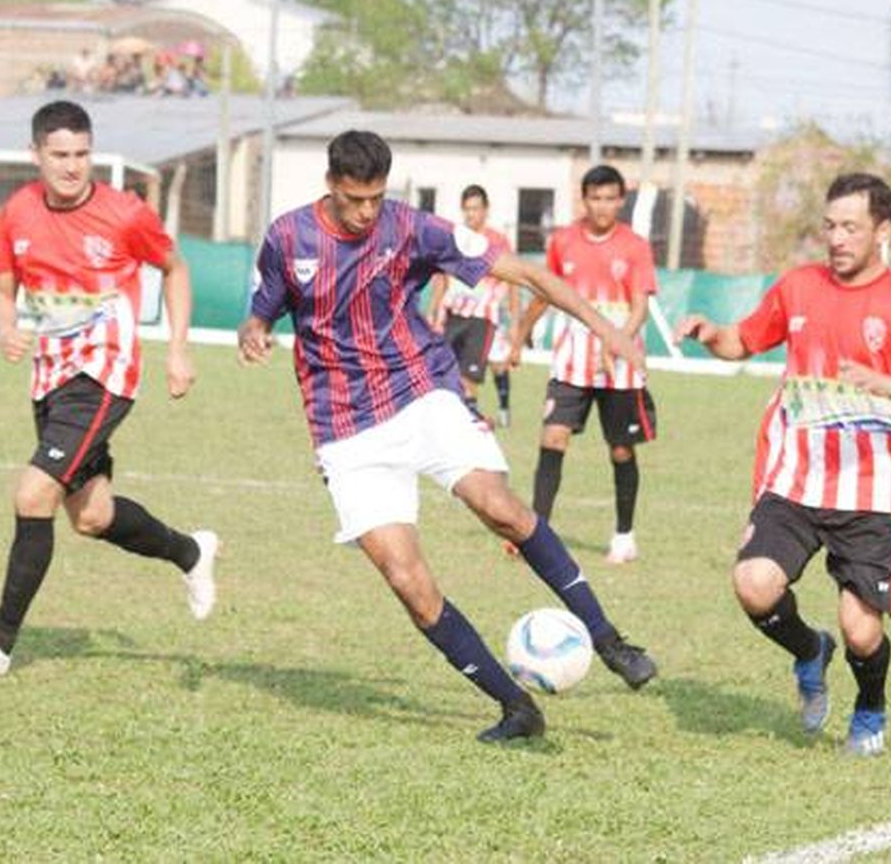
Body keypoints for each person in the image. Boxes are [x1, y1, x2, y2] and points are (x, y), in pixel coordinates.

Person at [237, 130, 658, 745]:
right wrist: (253, 329)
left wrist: (607, 329)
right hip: (344, 426)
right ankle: (516, 707)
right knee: (408, 581)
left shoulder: (410, 228)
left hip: (420, 393)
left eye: (375, 199)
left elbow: (525, 275)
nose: (365, 213)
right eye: (354, 200)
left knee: (500, 508)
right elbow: (263, 305)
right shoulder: (287, 236)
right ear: (331, 186)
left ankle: (609, 639)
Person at [674, 173, 891, 757]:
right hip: (795, 479)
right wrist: (710, 334)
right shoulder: (798, 286)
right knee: (754, 584)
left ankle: (870, 705)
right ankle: (809, 650)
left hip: (870, 490)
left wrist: (885, 382)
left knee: (861, 629)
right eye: (830, 226)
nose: (837, 238)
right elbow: (744, 340)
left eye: (851, 227)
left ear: (883, 230)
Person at [0, 101, 217, 676]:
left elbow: (175, 269)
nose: (72, 166)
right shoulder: (17, 212)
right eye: (60, 155)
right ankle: (191, 551)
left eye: (82, 154)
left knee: (32, 494)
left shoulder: (125, 214)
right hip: (50, 375)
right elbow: (2, 291)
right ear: (35, 154)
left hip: (103, 373)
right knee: (92, 515)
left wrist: (179, 348)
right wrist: (5, 327)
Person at [511, 165, 658, 565]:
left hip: (619, 365)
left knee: (621, 450)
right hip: (572, 360)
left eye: (611, 198)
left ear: (620, 201)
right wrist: (520, 334)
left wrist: (616, 342)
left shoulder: (635, 246)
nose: (603, 206)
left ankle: (624, 536)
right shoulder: (563, 241)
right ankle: (536, 536)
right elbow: (545, 293)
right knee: (553, 437)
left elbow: (641, 306)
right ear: (584, 199)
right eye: (595, 198)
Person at [426, 184, 517, 427]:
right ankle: (462, 421)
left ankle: (499, 409)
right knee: (447, 373)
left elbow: (513, 280)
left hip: (484, 317)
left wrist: (514, 320)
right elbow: (442, 280)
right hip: (454, 314)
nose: (470, 214)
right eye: (466, 209)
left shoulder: (498, 241)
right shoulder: (454, 238)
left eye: (475, 209)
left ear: (486, 210)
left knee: (489, 369)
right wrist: (433, 313)